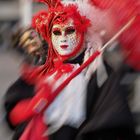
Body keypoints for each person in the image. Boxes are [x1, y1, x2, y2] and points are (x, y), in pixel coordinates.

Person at [6, 0, 136, 140]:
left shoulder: (98, 72)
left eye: (69, 31)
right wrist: (33, 104)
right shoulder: (43, 69)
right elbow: (14, 115)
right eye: (56, 32)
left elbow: (111, 121)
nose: (63, 38)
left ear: (82, 32)